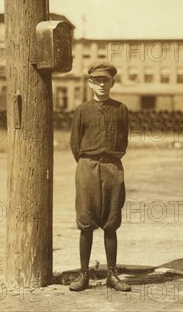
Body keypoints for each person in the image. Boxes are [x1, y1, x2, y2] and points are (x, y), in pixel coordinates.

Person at [68, 60, 131, 292]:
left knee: (111, 223)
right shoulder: (82, 110)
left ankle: (112, 275)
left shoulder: (121, 109)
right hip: (87, 167)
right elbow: (75, 143)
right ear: (90, 83)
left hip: (113, 168)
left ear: (112, 83)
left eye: (106, 80)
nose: (102, 84)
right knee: (86, 222)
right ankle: (83, 275)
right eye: (97, 81)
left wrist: (109, 163)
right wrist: (88, 165)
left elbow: (123, 140)